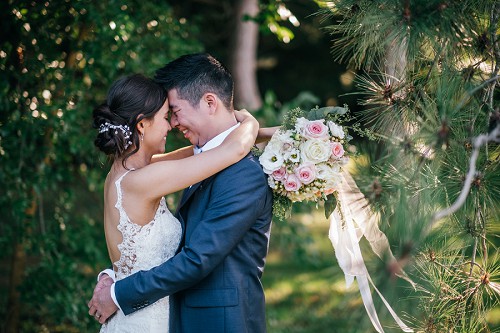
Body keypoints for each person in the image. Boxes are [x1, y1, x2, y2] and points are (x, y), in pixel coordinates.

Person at [88, 54, 275, 333]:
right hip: (148, 318)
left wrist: (114, 278)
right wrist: (249, 123)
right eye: (166, 116)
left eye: (173, 113)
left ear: (209, 102)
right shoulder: (146, 178)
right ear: (141, 125)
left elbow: (204, 151)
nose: (172, 124)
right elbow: (230, 149)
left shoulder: (132, 171)